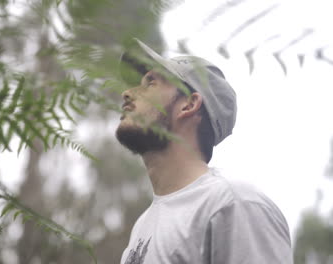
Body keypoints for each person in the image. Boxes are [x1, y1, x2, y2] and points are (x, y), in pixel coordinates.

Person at [116, 38, 293, 264]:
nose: (127, 93)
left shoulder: (234, 205)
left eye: (150, 83)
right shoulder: (143, 225)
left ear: (189, 105)